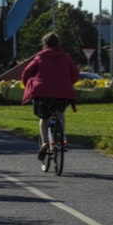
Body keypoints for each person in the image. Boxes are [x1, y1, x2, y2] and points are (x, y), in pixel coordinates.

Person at [21, 32, 79, 161]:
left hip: (42, 93)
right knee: (60, 112)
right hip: (62, 92)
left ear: (45, 44)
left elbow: (26, 73)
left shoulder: (40, 56)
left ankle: (44, 143)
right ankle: (62, 137)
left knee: (44, 117)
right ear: (58, 44)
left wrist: (29, 84)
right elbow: (75, 74)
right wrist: (68, 83)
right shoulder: (66, 57)